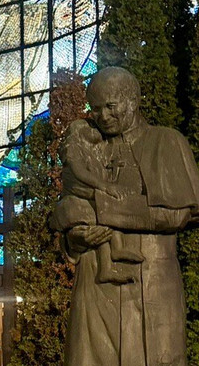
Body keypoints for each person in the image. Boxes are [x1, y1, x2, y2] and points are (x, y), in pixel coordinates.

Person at [52, 67, 199, 366]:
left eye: (112, 105)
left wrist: (102, 208)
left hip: (153, 285)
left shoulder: (166, 142)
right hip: (97, 286)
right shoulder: (90, 153)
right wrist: (76, 235)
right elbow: (67, 216)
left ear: (135, 98)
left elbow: (175, 213)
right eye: (97, 107)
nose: (103, 115)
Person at [55, 117, 146, 284]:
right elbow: (65, 211)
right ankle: (109, 262)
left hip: (147, 281)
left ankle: (116, 251)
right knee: (103, 214)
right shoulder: (76, 149)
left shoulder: (155, 143)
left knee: (107, 212)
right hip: (91, 282)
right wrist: (73, 240)